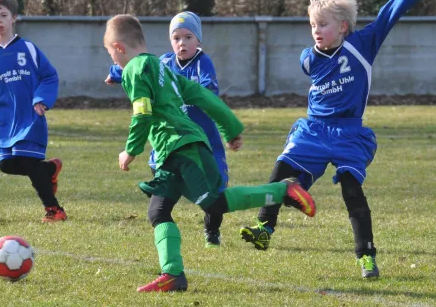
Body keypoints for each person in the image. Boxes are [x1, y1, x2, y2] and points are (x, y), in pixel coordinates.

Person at [103, 14, 316, 292]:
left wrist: (130, 151)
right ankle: (173, 275)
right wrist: (231, 128)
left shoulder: (134, 70)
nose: (114, 61)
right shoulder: (164, 68)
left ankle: (282, 191)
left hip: (183, 149)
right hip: (171, 153)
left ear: (119, 47)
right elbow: (203, 98)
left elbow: (141, 113)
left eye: (110, 54)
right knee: (158, 211)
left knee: (215, 204)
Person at [239, 0, 435, 278]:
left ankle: (366, 256)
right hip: (314, 130)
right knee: (280, 172)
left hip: (349, 133)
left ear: (343, 27)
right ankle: (266, 227)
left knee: (352, 191)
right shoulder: (310, 59)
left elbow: (386, 17)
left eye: (323, 24)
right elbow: (311, 63)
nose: (316, 30)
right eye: (313, 25)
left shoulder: (362, 45)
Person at [105, 11, 228, 248]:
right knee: (164, 183)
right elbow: (136, 68)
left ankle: (212, 231)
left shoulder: (203, 63)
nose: (182, 43)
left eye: (188, 37)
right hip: (171, 141)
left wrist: (174, 94)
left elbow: (207, 92)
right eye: (177, 38)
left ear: (198, 40)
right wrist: (115, 73)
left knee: (215, 190)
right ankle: (163, 222)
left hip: (202, 139)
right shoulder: (162, 62)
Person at [0, 0, 66, 223]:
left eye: (3, 15)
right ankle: (49, 171)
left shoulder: (28, 49)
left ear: (14, 18)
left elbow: (50, 76)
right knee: (6, 164)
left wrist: (41, 98)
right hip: (5, 121)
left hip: (31, 116)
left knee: (30, 163)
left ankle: (54, 210)